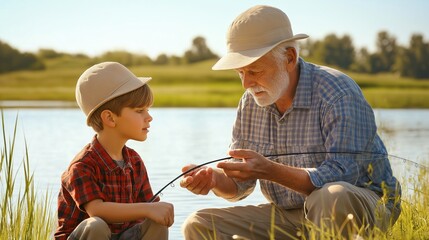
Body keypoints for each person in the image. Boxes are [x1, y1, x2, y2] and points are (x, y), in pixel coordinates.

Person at [180, 5, 401, 240]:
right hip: (290, 214)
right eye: (240, 73)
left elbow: (343, 177)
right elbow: (240, 186)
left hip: (363, 206)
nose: (246, 84)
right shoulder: (249, 103)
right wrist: (215, 180)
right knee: (199, 224)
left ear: (289, 58)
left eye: (254, 70)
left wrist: (271, 170)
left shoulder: (338, 93)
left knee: (330, 196)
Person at [55, 62, 174, 240]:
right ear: (110, 118)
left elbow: (150, 207)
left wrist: (159, 210)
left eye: (147, 110)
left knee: (156, 220)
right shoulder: (82, 166)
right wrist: (148, 209)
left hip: (121, 236)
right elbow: (97, 210)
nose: (149, 117)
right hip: (89, 235)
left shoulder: (134, 161)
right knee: (96, 225)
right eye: (140, 110)